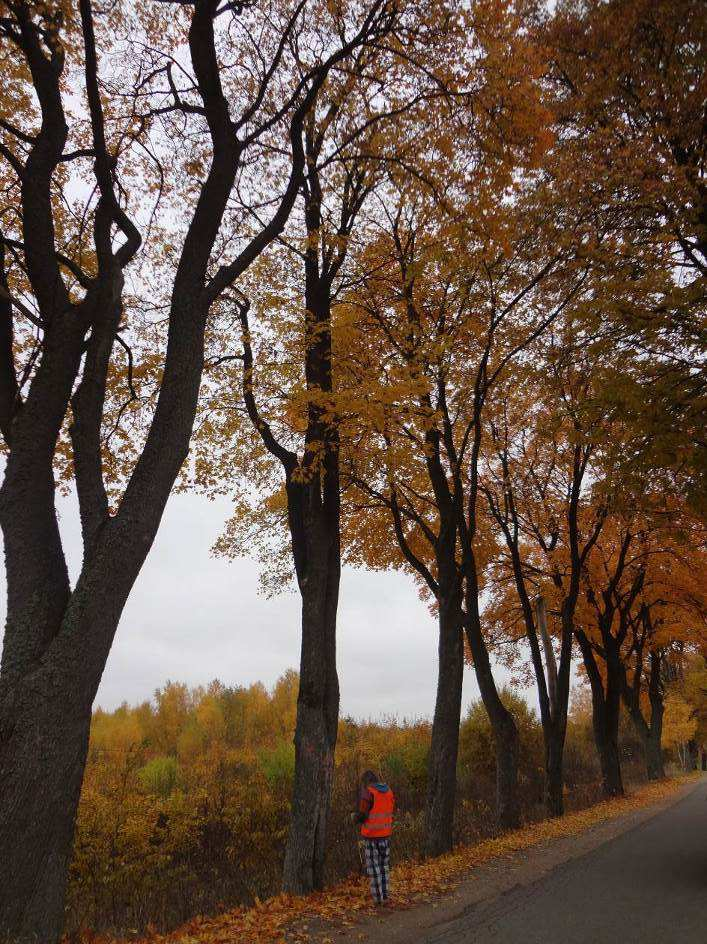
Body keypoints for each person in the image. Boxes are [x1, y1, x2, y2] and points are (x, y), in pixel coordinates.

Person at [352, 769, 395, 905]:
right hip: (386, 835)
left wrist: (354, 817)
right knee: (384, 867)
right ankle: (385, 895)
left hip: (371, 837)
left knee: (374, 868)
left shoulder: (368, 793)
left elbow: (363, 815)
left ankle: (378, 899)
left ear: (366, 781)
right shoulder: (388, 791)